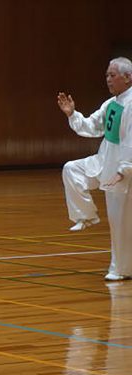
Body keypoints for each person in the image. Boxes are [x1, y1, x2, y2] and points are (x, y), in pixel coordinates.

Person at [58, 57, 132, 280]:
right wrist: (73, 114)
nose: (108, 79)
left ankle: (120, 269)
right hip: (104, 159)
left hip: (122, 168)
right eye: (107, 75)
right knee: (72, 169)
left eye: (112, 75)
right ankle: (86, 216)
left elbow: (131, 140)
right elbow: (92, 127)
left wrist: (124, 170)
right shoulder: (111, 104)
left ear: (127, 78)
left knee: (120, 222)